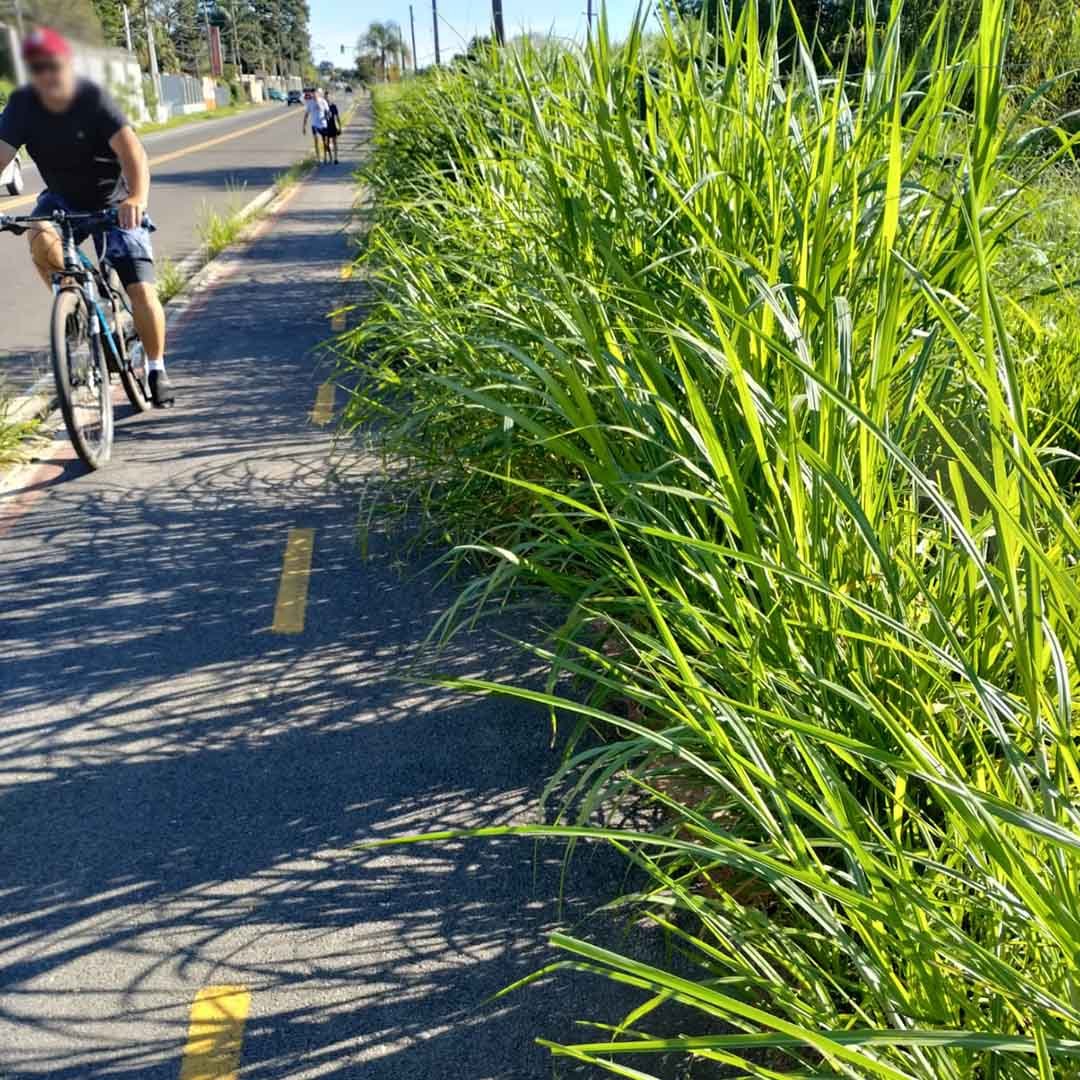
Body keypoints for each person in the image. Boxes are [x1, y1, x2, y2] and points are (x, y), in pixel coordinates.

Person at [0, 27, 174, 406]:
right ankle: (75, 303)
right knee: (39, 240)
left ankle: (157, 366)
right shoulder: (22, 106)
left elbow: (133, 155)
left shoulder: (92, 101)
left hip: (114, 201)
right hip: (62, 200)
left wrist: (138, 198)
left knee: (140, 288)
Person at [301, 89, 328, 163]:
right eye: (312, 93)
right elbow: (306, 115)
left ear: (318, 94)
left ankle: (325, 157)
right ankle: (318, 158)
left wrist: (326, 117)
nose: (313, 95)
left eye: (315, 93)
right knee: (316, 141)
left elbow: (327, 112)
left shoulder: (323, 101)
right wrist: (304, 127)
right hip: (314, 125)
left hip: (323, 124)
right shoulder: (310, 102)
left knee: (325, 142)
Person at [322, 92, 341, 165]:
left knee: (335, 142)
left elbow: (337, 117)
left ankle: (336, 158)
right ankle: (329, 157)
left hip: (333, 126)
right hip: (325, 127)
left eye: (328, 97)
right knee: (326, 143)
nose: (327, 99)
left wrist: (339, 126)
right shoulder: (322, 107)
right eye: (325, 97)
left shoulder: (333, 106)